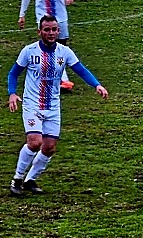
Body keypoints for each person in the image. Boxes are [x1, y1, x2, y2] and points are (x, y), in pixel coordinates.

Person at [7, 15, 109, 196]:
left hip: (53, 106)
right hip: (32, 104)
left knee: (49, 148)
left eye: (54, 29)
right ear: (40, 32)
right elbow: (14, 73)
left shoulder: (64, 52)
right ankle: (17, 179)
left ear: (58, 31)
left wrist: (97, 85)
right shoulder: (29, 51)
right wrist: (12, 93)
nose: (51, 33)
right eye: (47, 29)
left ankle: (31, 179)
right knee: (35, 142)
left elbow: (81, 70)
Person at [18, 0, 81, 92]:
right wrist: (22, 15)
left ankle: (57, 78)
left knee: (62, 47)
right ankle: (63, 80)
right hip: (43, 18)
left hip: (60, 17)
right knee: (49, 47)